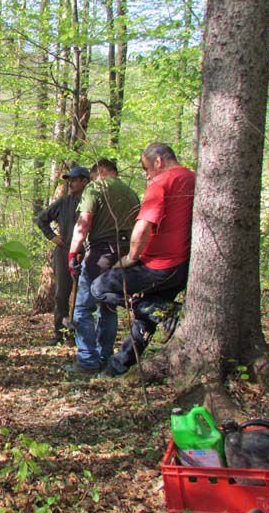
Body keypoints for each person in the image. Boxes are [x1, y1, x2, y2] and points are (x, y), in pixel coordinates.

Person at [92, 143, 195, 376]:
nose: (146, 174)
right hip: (181, 269)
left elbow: (142, 227)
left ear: (158, 161)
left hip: (158, 266)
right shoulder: (194, 178)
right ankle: (116, 370)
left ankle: (160, 309)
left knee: (98, 287)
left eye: (146, 168)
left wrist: (130, 258)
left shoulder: (160, 182)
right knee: (143, 322)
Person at [66, 158, 140, 374]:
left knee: (82, 309)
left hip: (101, 254)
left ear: (99, 172)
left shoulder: (95, 187)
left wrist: (73, 252)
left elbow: (84, 222)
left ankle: (88, 361)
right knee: (107, 307)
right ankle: (105, 357)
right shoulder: (131, 193)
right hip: (125, 255)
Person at [35, 165, 91, 345]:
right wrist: (52, 236)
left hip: (89, 253)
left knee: (86, 294)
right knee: (61, 294)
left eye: (74, 180)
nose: (71, 183)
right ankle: (60, 333)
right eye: (69, 180)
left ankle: (82, 333)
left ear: (85, 181)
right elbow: (42, 219)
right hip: (65, 252)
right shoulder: (64, 202)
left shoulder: (94, 200)